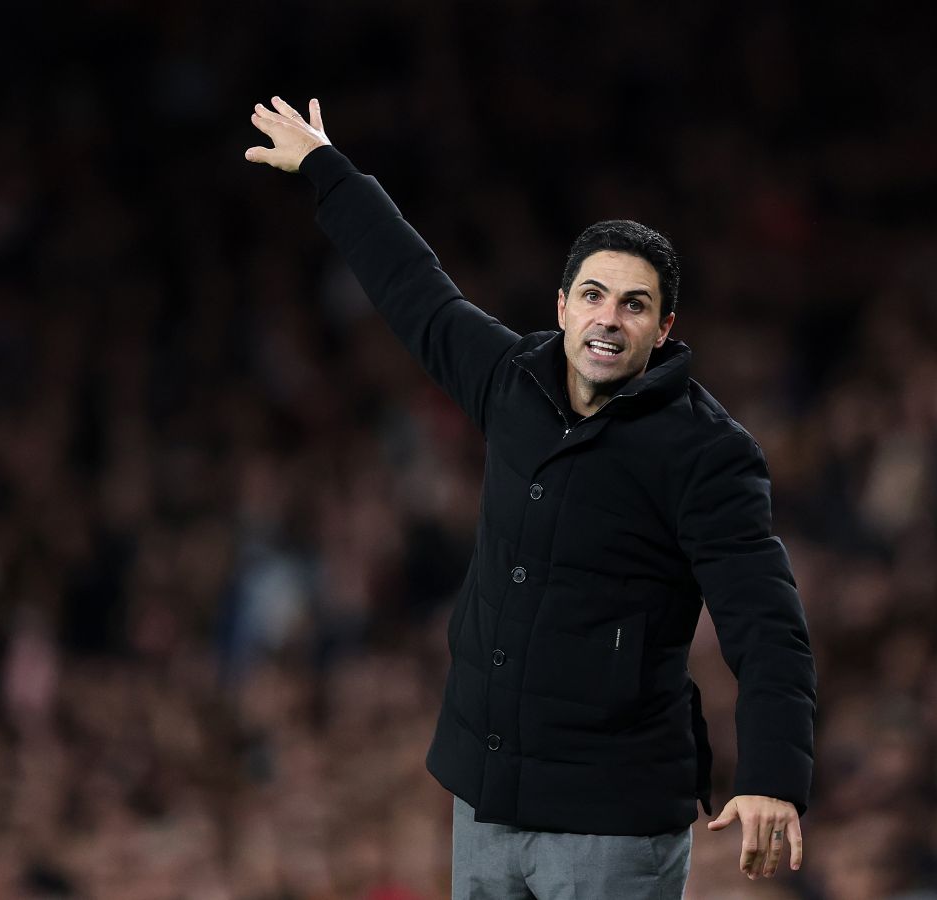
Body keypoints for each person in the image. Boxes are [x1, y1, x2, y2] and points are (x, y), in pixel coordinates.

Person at [246, 95, 817, 898]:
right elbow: (416, 289)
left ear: (664, 328)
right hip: (487, 795)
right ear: (562, 305)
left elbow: (767, 623)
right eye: (593, 295)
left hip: (611, 816)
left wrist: (773, 777)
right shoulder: (513, 380)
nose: (608, 319)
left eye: (634, 304)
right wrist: (326, 167)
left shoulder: (707, 454)